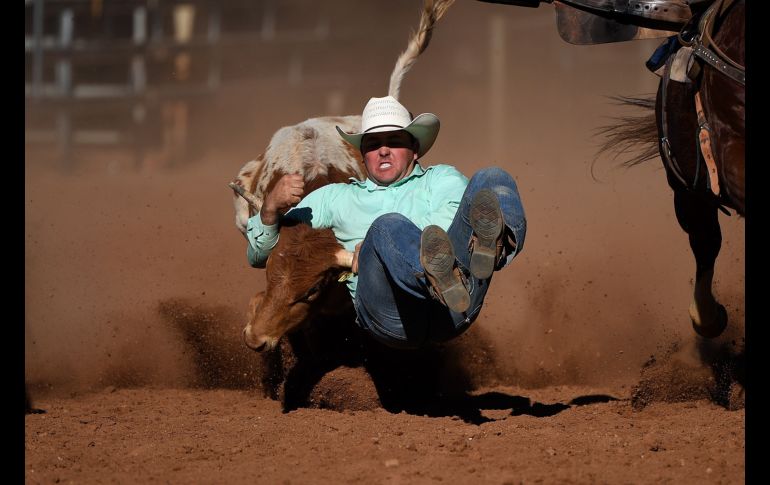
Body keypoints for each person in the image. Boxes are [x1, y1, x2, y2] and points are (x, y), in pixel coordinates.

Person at [246, 96, 526, 349]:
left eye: (394, 141)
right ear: (363, 156)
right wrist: (270, 208)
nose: (383, 150)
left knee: (492, 178)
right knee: (386, 227)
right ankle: (434, 272)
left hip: (457, 304)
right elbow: (262, 256)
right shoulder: (333, 198)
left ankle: (495, 246)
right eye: (373, 144)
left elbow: (458, 220)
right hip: (392, 317)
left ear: (414, 149)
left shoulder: (443, 180)